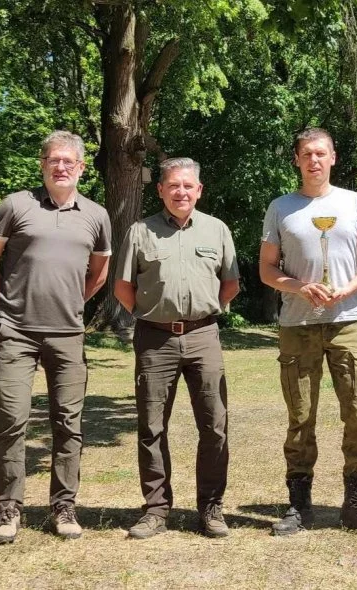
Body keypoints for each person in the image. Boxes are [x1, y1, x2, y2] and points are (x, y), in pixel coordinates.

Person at [0, 131, 112, 544]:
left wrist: (73, 303)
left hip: (68, 334)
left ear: (82, 167)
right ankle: (7, 510)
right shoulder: (16, 205)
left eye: (69, 161)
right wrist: (8, 305)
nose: (61, 167)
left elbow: (100, 271)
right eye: (54, 160)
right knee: (12, 420)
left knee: (68, 424)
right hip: (15, 333)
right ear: (43, 164)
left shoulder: (97, 215)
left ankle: (63, 506)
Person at [259, 128, 357, 536]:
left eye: (321, 153)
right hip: (298, 325)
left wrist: (347, 288)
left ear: (333, 157)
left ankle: (356, 503)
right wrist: (298, 286)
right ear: (296, 159)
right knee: (300, 417)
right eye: (306, 154)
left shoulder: (354, 202)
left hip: (348, 321)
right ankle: (300, 507)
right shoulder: (281, 207)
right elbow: (266, 269)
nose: (314, 160)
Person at [114, 157, 239, 540]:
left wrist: (208, 312)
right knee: (152, 427)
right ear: (161, 190)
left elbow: (230, 282)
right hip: (155, 339)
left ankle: (212, 509)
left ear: (199, 190)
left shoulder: (217, 230)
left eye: (188, 186)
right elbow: (122, 286)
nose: (180, 192)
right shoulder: (140, 231)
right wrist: (150, 315)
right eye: (173, 185)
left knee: (214, 425)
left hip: (204, 337)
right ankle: (155, 510)